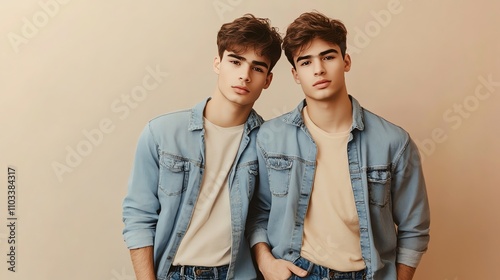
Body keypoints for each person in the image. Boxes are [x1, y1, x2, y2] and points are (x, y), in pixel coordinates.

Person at [247, 11, 430, 280]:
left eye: (328, 57)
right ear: (296, 74)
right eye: (306, 62)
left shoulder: (394, 142)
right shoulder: (270, 137)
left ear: (346, 61)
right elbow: (257, 213)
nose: (319, 69)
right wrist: (266, 263)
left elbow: (414, 229)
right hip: (296, 272)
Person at [122, 14, 282, 280]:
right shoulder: (161, 133)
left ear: (268, 79)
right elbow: (139, 216)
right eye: (235, 61)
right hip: (175, 273)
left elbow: (262, 218)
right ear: (218, 63)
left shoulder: (269, 144)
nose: (244, 75)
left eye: (257, 67)